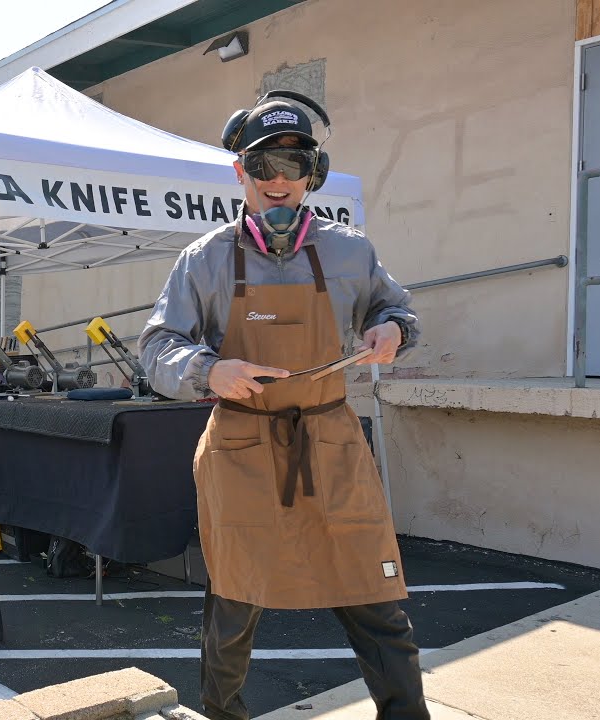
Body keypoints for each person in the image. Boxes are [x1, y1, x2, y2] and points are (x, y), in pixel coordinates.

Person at [138, 93, 431, 720]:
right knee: (234, 601)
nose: (278, 180)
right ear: (239, 172)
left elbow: (394, 308)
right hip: (241, 449)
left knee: (373, 594)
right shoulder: (204, 258)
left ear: (313, 174)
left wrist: (393, 330)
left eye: (293, 165)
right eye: (263, 164)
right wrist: (210, 369)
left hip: (331, 443)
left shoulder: (352, 251)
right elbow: (158, 345)